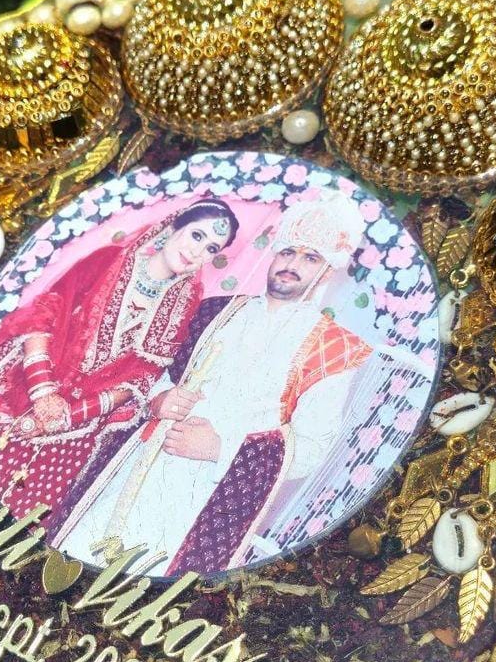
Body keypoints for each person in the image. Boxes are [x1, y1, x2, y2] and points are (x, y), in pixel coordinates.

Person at [55, 190, 373, 576]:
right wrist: (160, 398)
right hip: (141, 463)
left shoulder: (333, 349)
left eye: (311, 258)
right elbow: (156, 372)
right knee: (78, 556)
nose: (292, 265)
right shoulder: (214, 309)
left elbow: (310, 449)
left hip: (210, 496)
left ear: (328, 271)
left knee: (145, 583)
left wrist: (220, 449)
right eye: (289, 252)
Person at [0, 198, 240, 526]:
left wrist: (70, 416)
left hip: (75, 426)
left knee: (10, 521)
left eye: (211, 248)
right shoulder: (108, 260)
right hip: (23, 381)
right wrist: (43, 392)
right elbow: (43, 313)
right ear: (174, 225)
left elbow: (141, 380)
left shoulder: (182, 307)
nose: (197, 252)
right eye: (197, 235)